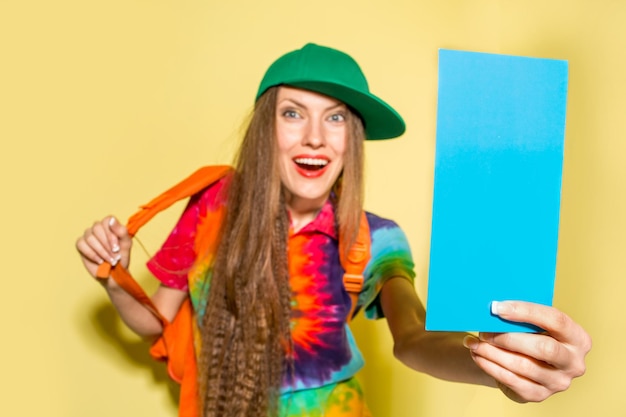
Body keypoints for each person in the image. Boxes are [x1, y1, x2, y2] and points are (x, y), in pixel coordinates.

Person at [76, 43, 591, 416]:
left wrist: (493, 363)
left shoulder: (375, 237)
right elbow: (155, 322)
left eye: (338, 119)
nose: (316, 138)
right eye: (294, 113)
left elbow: (412, 337)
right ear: (265, 129)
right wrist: (112, 275)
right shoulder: (212, 207)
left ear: (353, 139)